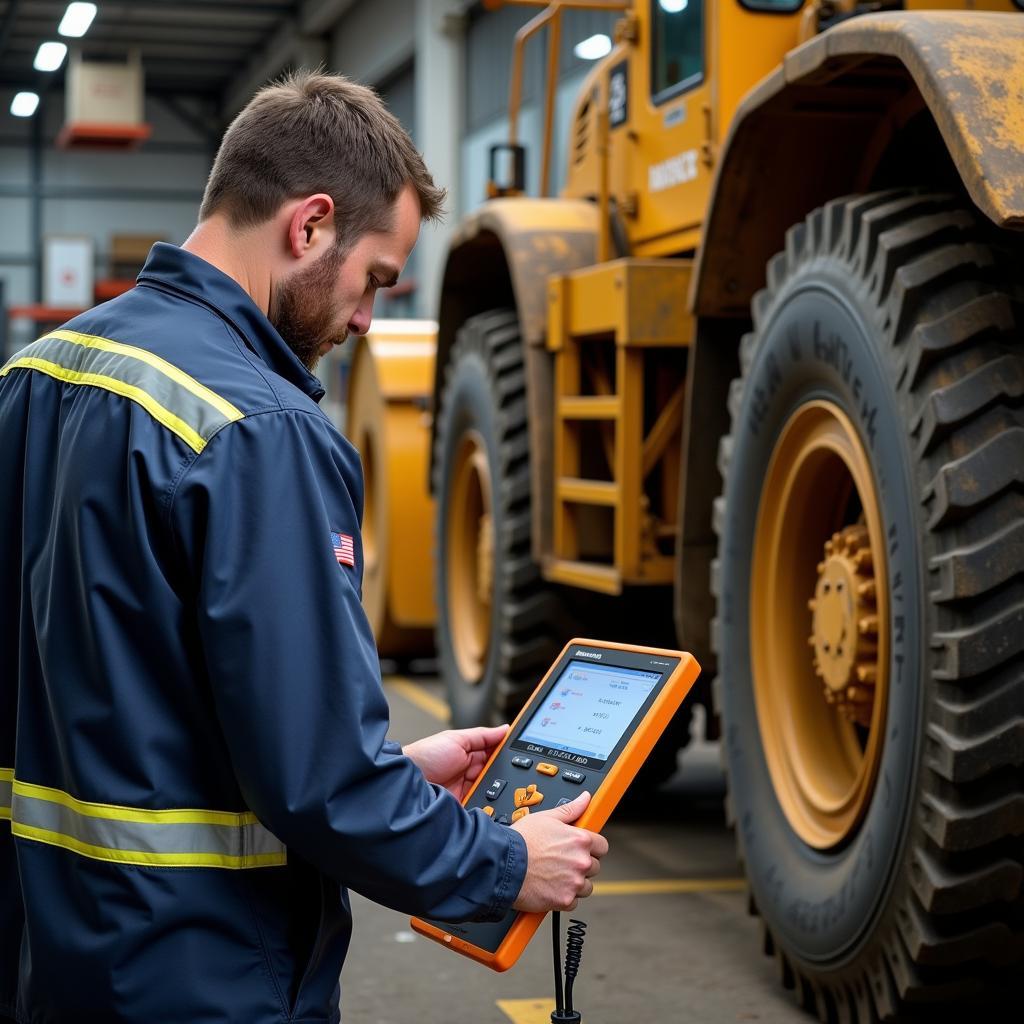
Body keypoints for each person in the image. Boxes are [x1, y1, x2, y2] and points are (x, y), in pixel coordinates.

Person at [0, 71, 608, 1024]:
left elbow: (133, 704)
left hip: (48, 961)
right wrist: (502, 863)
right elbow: (318, 781)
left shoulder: (33, 377)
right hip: (199, 974)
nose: (367, 319)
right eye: (374, 279)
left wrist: (395, 773)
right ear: (310, 224)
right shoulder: (261, 429)